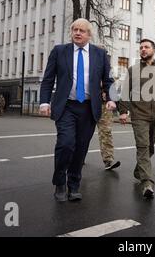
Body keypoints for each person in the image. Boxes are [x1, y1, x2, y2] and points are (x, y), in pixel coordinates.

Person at [39, 18, 116, 202]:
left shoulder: (100, 54)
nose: (77, 33)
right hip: (66, 106)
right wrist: (44, 102)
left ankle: (73, 185)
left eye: (82, 30)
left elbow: (108, 81)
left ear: (89, 35)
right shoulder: (60, 51)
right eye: (75, 29)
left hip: (89, 108)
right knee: (66, 144)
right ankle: (59, 183)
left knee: (81, 149)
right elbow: (48, 79)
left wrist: (112, 99)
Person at [118, 39, 155, 198]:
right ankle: (147, 183)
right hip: (139, 115)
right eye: (141, 47)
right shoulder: (133, 70)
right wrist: (123, 110)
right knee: (143, 146)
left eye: (146, 47)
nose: (143, 49)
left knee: (149, 147)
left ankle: (139, 171)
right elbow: (125, 92)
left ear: (154, 50)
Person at [97, 93, 121, 170]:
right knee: (83, 132)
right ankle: (79, 156)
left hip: (104, 103)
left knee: (106, 132)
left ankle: (108, 160)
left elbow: (110, 83)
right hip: (86, 102)